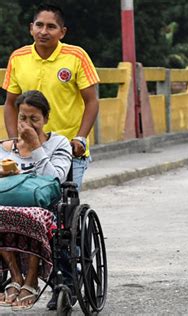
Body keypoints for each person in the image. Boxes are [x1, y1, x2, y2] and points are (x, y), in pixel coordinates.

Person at [1, 3, 99, 191]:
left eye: (51, 27)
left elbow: (92, 101)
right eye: (39, 25)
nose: (44, 31)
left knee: (61, 204)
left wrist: (81, 138)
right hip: (26, 148)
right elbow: (10, 103)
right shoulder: (17, 58)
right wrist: (14, 140)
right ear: (31, 28)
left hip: (68, 148)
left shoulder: (77, 56)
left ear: (62, 32)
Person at [0, 90, 72, 310]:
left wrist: (36, 148)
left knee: (32, 216)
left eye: (34, 119)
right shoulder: (5, 148)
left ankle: (31, 278)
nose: (27, 124)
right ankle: (15, 276)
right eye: (23, 118)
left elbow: (56, 180)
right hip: (7, 202)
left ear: (46, 119)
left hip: (46, 208)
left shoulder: (59, 144)